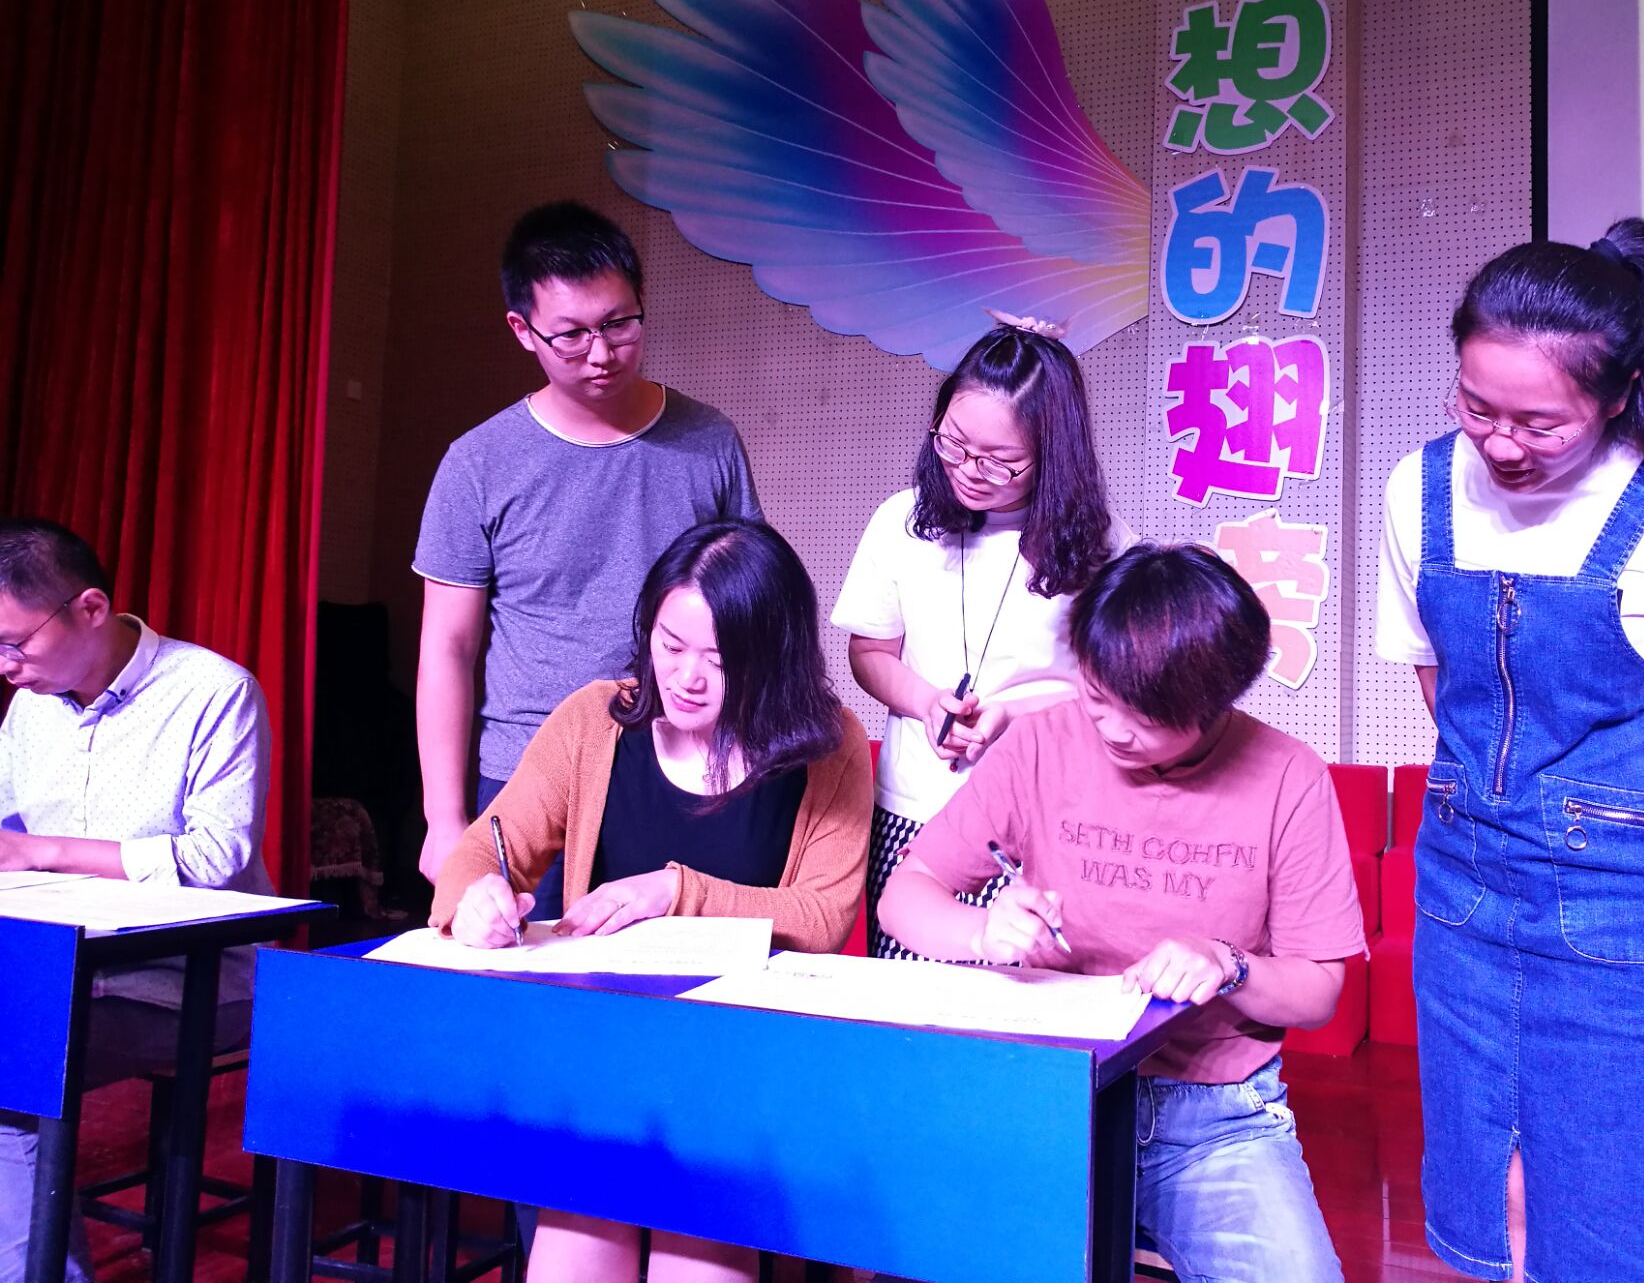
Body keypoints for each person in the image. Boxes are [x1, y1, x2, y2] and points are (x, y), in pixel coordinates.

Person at [1376, 218, 1644, 1282]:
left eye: (1539, 423)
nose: (1502, 444)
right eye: (1477, 408)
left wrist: (1634, 821)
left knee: (1633, 1195)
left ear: (1618, 396)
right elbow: (1441, 672)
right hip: (1464, 891)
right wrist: (1501, 797)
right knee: (1489, 1177)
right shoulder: (1418, 488)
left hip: (1626, 907)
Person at [879, 543, 1365, 1282]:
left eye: (1142, 716)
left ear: (1216, 701)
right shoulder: (1040, 744)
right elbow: (905, 897)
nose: (1110, 728)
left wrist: (1228, 965)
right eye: (1097, 696)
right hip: (1044, 1090)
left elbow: (1318, 991)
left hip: (1212, 1115)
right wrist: (983, 931)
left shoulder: (1288, 777)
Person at [430, 520, 871, 1283]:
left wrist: (675, 891)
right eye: (671, 645)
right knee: (575, 1243)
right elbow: (479, 851)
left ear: (774, 656)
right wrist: (477, 895)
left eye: (721, 659)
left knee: (696, 1254)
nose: (687, 677)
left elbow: (823, 917)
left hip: (741, 1066)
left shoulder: (827, 745)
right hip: (601, 1056)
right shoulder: (595, 721)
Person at [413, 201, 761, 898]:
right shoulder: (478, 463)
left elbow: (746, 610)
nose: (600, 354)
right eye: (571, 335)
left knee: (673, 963)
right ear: (523, 330)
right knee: (518, 962)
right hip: (526, 775)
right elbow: (448, 648)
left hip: (677, 766)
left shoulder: (708, 441)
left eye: (618, 324)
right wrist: (443, 820)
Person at [0, 518, 272, 1283]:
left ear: (89, 608)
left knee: (13, 1056)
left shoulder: (212, 692)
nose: (6, 668)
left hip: (195, 978)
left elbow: (214, 859)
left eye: (16, 644)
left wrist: (44, 852)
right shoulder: (32, 707)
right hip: (63, 968)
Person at [833, 315, 1129, 957]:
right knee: (908, 992)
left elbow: (1113, 694)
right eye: (954, 444)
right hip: (915, 804)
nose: (970, 470)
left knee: (1025, 991)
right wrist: (926, 703)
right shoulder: (900, 520)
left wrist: (1012, 715)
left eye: (1001, 461)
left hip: (1043, 815)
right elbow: (870, 652)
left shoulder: (1101, 549)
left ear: (1053, 453)